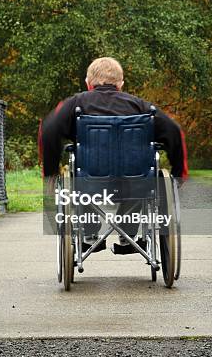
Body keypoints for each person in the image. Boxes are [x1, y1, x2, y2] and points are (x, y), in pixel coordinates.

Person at [40, 57, 188, 253]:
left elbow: (48, 130)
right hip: (135, 183)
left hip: (92, 182)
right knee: (139, 180)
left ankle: (90, 233)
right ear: (121, 84)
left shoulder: (76, 104)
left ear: (88, 83)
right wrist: (178, 173)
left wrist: (51, 172)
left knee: (83, 183)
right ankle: (129, 235)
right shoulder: (140, 106)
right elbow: (174, 131)